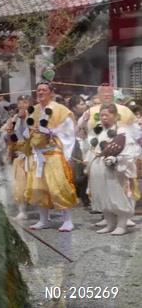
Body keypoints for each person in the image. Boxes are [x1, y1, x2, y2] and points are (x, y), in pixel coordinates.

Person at [24, 81, 78, 232]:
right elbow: (29, 129)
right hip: (38, 154)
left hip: (54, 152)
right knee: (38, 188)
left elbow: (69, 132)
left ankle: (67, 220)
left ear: (51, 92)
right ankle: (43, 219)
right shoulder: (33, 110)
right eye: (38, 90)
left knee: (59, 187)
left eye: (43, 90)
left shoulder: (61, 110)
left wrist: (51, 132)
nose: (40, 92)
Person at [85, 103, 141, 235]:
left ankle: (121, 225)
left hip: (114, 168)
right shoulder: (98, 131)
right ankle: (109, 224)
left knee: (116, 195)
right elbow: (90, 147)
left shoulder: (122, 132)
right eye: (102, 115)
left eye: (107, 115)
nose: (104, 118)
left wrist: (116, 159)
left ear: (115, 116)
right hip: (98, 166)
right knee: (103, 195)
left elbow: (131, 151)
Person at [2, 96, 32, 220]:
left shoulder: (34, 117)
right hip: (19, 155)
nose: (21, 106)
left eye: (25, 103)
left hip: (33, 154)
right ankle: (22, 210)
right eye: (20, 103)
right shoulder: (14, 119)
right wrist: (9, 133)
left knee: (36, 185)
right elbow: (9, 137)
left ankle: (44, 213)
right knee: (19, 184)